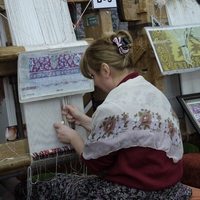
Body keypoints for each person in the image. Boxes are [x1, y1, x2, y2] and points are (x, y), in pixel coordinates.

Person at [15, 30, 199, 199]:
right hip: (170, 188)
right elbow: (131, 127)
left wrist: (73, 137)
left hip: (140, 192)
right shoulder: (151, 91)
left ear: (105, 70)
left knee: (42, 188)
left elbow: (93, 163)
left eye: (93, 76)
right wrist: (84, 120)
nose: (94, 83)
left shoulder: (113, 105)